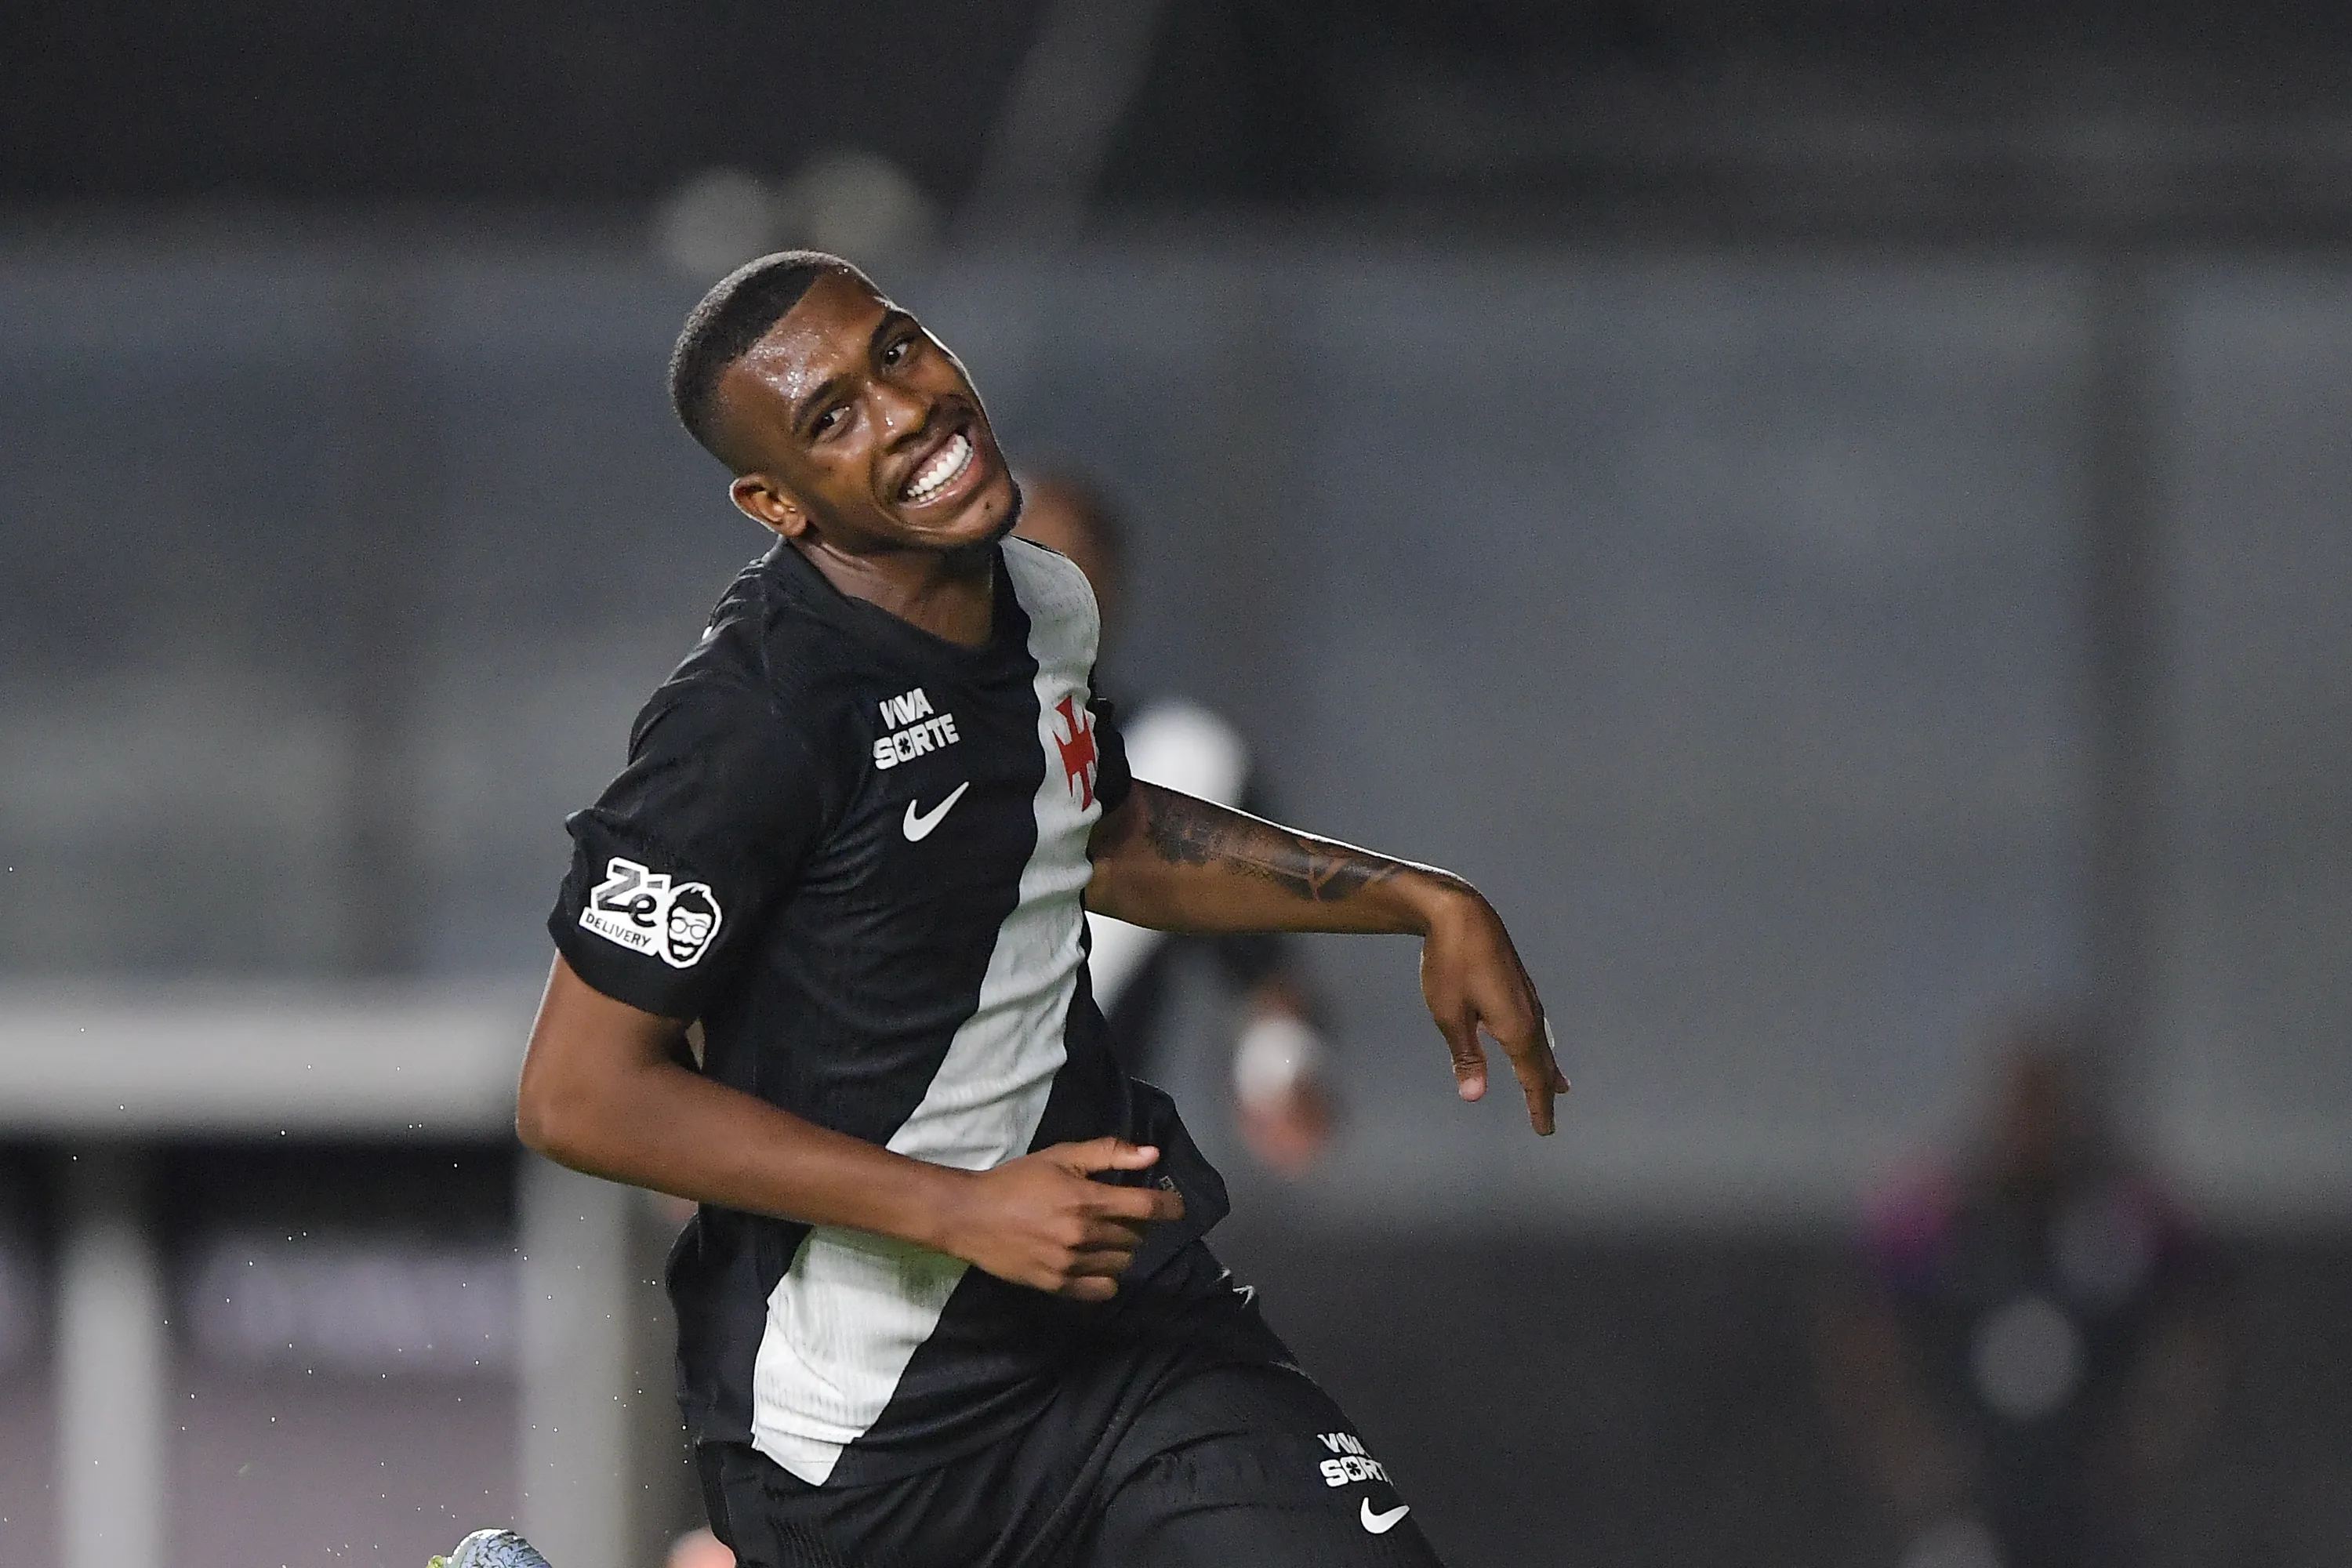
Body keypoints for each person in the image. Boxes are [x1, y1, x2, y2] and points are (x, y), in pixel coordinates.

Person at [437, 250, 1564, 1568]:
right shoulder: (747, 723)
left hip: (1126, 1326)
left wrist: (1421, 901)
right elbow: (577, 1094)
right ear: (774, 501)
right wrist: (958, 1210)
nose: (905, 407)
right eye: (831, 417)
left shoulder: (1044, 602)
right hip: (872, 1427)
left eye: (898, 351)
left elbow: (1099, 830)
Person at [1816, 1017, 2227, 1568]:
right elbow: (1863, 1320)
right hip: (1972, 1481)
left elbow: (2202, 1312)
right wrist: (1907, 1447)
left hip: (2091, 1482)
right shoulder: (1937, 1209)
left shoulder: (2125, 1208)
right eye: (2019, 1104)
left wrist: (2153, 1432)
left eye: (2049, 1104)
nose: (2032, 1126)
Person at [1012, 470, 1331, 1174]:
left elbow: (1266, 972)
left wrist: (1281, 1068)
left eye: (1068, 573)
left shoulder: (1188, 765)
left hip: (1082, 1186)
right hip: (886, 1188)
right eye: (1017, 568)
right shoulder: (878, 747)